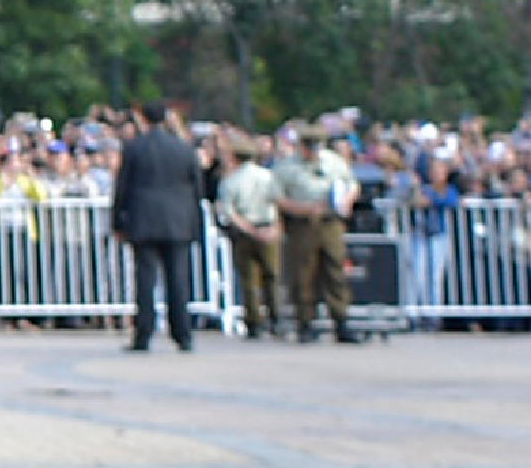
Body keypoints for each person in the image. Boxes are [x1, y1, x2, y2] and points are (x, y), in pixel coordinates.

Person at [111, 104, 203, 354]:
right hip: (178, 220)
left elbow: (123, 187)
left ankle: (144, 333)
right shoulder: (184, 148)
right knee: (178, 279)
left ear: (143, 119)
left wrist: (117, 221)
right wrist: (194, 222)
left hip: (143, 219)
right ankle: (183, 334)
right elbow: (196, 188)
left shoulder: (135, 148)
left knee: (145, 279)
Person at [272, 125, 357, 343]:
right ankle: (305, 322)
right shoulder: (286, 167)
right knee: (304, 273)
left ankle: (341, 320)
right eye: (309, 146)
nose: (313, 151)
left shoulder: (334, 162)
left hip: (331, 222)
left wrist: (346, 201)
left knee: (335, 269)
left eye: (316, 146)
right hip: (303, 224)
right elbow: (278, 198)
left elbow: (352, 185)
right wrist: (304, 209)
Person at [212, 129, 284, 338]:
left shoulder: (230, 181)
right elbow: (279, 202)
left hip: (245, 231)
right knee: (272, 275)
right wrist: (276, 227)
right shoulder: (268, 176)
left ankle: (254, 321)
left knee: (249, 278)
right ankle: (276, 317)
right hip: (268, 226)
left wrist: (249, 230)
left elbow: (229, 212)